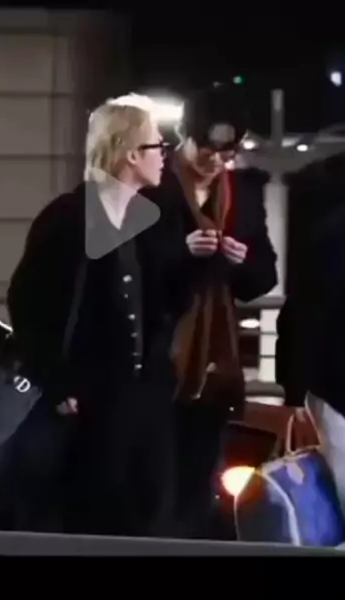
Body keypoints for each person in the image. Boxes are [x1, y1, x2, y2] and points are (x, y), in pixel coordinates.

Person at [4, 93, 192, 537]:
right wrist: (57, 382)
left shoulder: (148, 220)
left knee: (150, 517)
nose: (164, 156)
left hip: (143, 399)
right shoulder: (69, 218)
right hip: (91, 401)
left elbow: (164, 304)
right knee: (94, 519)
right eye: (156, 146)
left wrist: (196, 265)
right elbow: (28, 303)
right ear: (130, 154)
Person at [145, 89, 278, 538]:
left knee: (199, 484)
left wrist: (241, 262)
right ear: (185, 135)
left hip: (213, 366)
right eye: (208, 148)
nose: (216, 160)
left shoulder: (243, 194)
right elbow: (129, 267)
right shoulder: (154, 182)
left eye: (228, 151)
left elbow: (264, 277)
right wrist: (181, 252)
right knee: (154, 486)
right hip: (160, 357)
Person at [277, 202, 345, 516]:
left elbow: (300, 317)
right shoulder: (332, 236)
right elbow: (304, 318)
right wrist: (294, 391)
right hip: (335, 392)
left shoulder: (329, 233)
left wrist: (293, 391)